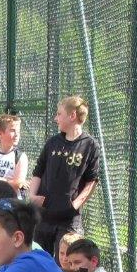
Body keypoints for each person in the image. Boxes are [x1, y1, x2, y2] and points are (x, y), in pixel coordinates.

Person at [28, 96, 99, 255]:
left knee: (69, 261)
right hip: (44, 216)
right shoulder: (53, 142)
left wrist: (74, 205)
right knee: (39, 260)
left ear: (72, 116)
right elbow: (38, 171)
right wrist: (32, 195)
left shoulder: (90, 145)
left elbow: (92, 181)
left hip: (69, 220)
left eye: (59, 114)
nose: (56, 118)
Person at [0, 112, 28, 193]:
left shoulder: (20, 156)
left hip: (12, 199)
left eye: (18, 131)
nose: (17, 135)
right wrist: (7, 181)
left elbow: (17, 184)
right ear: (0, 134)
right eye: (12, 130)